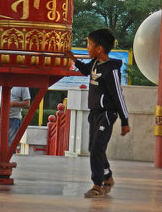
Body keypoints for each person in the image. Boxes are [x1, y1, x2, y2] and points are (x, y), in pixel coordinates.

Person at [65, 28, 130, 199]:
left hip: (107, 114)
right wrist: (74, 59)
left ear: (99, 48)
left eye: (89, 45)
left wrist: (125, 120)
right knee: (94, 148)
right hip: (94, 113)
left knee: (96, 149)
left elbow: (118, 95)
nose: (87, 48)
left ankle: (97, 185)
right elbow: (86, 71)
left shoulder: (111, 70)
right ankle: (107, 176)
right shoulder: (95, 63)